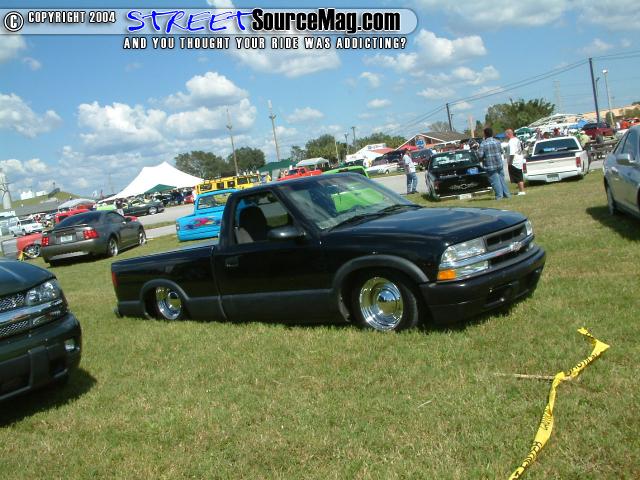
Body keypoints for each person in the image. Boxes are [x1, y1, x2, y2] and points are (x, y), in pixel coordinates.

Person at [478, 127, 511, 200]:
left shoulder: (483, 144)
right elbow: (501, 151)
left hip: (490, 165)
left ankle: (499, 196)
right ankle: (507, 194)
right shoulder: (497, 141)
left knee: (495, 181)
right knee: (502, 180)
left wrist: (481, 159)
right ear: (492, 133)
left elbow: (480, 155)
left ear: (485, 134)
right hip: (499, 164)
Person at [505, 129, 526, 196]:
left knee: (518, 177)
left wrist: (510, 162)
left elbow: (512, 153)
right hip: (519, 159)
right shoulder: (517, 139)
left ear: (508, 134)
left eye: (506, 134)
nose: (505, 136)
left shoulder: (511, 141)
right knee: (519, 176)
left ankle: (522, 191)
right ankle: (521, 190)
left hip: (514, 161)